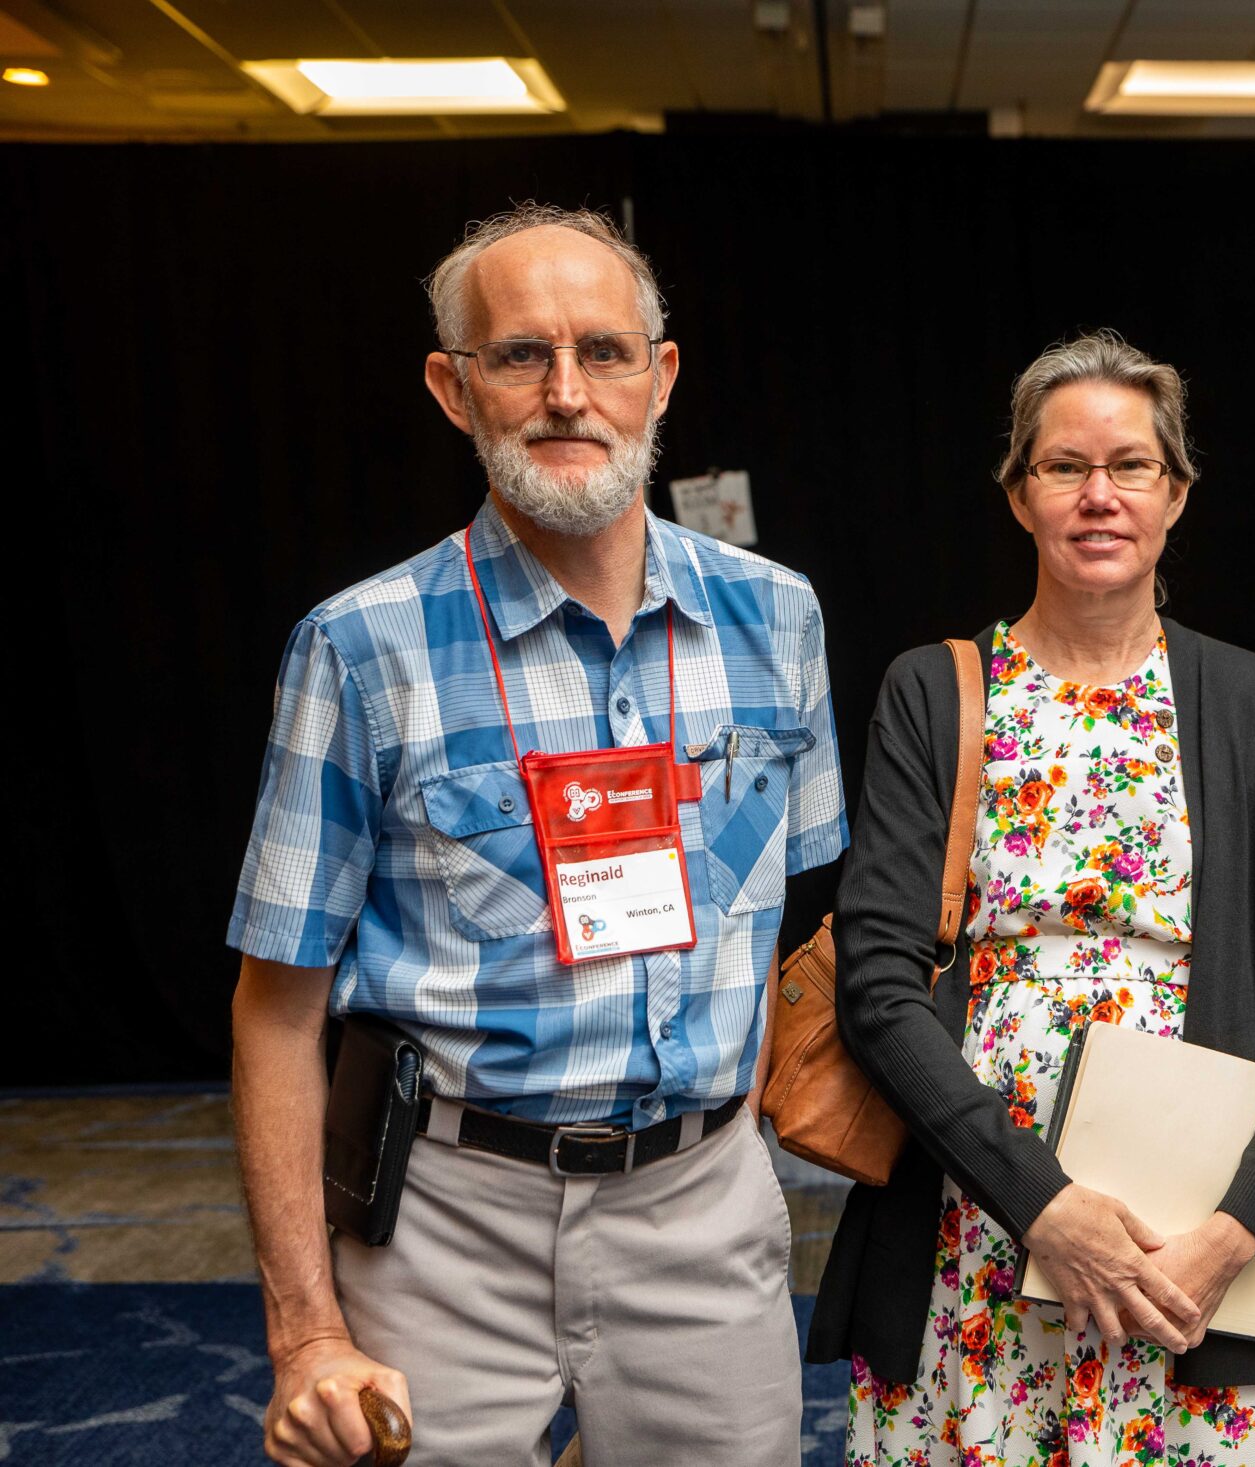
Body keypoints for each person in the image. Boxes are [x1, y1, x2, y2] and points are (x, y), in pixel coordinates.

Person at [226, 203, 845, 1467]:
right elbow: (276, 1009)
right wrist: (305, 1338)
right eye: (520, 357)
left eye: (605, 352)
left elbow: (800, 904)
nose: (568, 393)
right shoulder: (359, 647)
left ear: (660, 377)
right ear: (454, 390)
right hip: (446, 1228)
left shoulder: (778, 621)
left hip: (701, 1217)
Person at [807, 330, 1255, 1465]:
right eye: (1064, 466)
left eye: (1131, 466)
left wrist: (1235, 1235)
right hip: (973, 1230)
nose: (1098, 495)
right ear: (1019, 495)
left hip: (1195, 1263)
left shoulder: (1251, 701)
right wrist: (1042, 1207)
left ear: (1177, 494)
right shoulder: (935, 691)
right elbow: (876, 988)